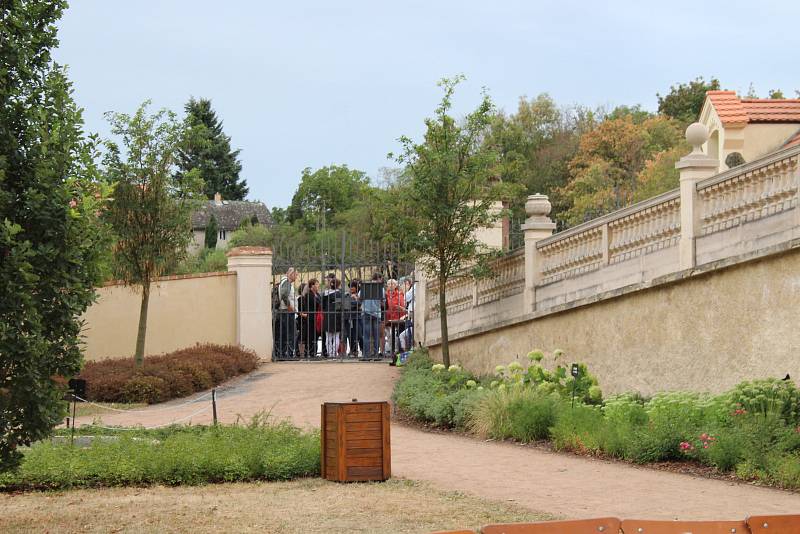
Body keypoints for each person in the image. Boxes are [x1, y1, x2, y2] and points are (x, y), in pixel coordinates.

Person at [360, 272, 384, 360]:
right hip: (376, 313)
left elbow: (360, 297)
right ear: (379, 278)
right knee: (376, 335)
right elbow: (383, 301)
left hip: (366, 312)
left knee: (366, 335)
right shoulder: (380, 288)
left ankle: (366, 355)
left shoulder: (365, 286)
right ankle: (376, 354)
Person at [277, 267, 298, 359]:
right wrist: (289, 306)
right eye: (296, 275)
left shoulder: (284, 282)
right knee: (291, 333)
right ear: (291, 274)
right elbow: (284, 295)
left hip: (284, 311)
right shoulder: (287, 282)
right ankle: (288, 353)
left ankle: (283, 353)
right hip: (287, 311)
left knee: (285, 333)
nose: (296, 277)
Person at [297, 278, 320, 359]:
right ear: (312, 286)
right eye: (317, 284)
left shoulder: (317, 294)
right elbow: (315, 304)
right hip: (310, 319)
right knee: (310, 336)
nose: (318, 286)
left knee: (315, 337)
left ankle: (314, 352)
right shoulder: (309, 295)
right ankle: (309, 353)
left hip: (316, 318)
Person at [322, 278, 343, 358]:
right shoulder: (339, 294)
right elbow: (339, 307)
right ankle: (334, 353)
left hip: (327, 315)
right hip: (336, 316)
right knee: (336, 336)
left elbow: (323, 306)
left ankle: (329, 353)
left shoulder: (325, 294)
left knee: (328, 337)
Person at [384, 278, 405, 355]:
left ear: (396, 285)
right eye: (389, 284)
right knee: (388, 335)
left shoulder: (399, 294)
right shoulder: (385, 294)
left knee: (397, 334)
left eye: (392, 284)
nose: (391, 285)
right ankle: (391, 349)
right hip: (388, 316)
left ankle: (397, 350)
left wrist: (398, 307)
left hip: (397, 316)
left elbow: (402, 305)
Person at [345, 280, 362, 357]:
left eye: (353, 287)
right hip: (349, 317)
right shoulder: (347, 295)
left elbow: (360, 304)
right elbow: (346, 305)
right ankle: (353, 350)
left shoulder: (359, 295)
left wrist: (355, 299)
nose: (351, 288)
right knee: (350, 334)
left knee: (359, 334)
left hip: (358, 317)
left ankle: (362, 349)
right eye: (350, 287)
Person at [399, 277, 415, 352]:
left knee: (404, 336)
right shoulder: (414, 288)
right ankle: (406, 353)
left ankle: (406, 354)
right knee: (402, 336)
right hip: (410, 317)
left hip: (413, 318)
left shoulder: (414, 288)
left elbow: (407, 297)